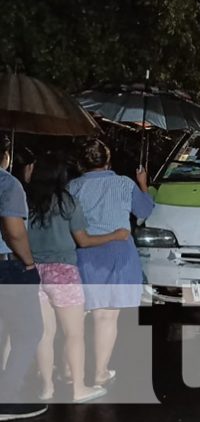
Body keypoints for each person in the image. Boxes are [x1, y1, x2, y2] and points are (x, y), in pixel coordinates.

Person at [26, 154, 131, 402]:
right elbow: (83, 240)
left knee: (45, 334)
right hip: (63, 272)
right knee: (74, 333)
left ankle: (47, 388)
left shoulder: (27, 202)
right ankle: (79, 388)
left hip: (34, 271)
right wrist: (115, 236)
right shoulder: (66, 201)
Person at [68, 140, 154, 387]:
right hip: (119, 252)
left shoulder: (73, 187)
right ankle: (99, 372)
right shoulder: (125, 184)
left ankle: (71, 369)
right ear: (108, 161)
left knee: (83, 314)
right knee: (107, 317)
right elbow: (144, 211)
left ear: (82, 162)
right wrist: (143, 185)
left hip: (85, 252)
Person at [0, 141, 46, 421]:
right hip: (8, 267)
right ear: (5, 156)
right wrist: (29, 262)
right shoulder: (9, 184)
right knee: (30, 331)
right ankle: (6, 398)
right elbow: (13, 229)